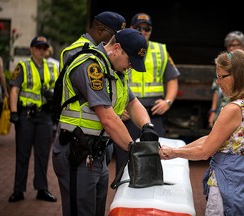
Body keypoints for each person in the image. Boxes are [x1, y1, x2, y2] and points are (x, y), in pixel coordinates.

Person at [52, 28, 159, 216]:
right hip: (77, 153)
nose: (131, 67)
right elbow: (108, 118)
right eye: (130, 61)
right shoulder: (91, 67)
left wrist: (147, 126)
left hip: (96, 155)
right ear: (116, 48)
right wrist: (134, 149)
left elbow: (132, 102)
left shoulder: (116, 70)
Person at [160, 49, 244, 215]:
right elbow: (213, 138)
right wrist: (178, 149)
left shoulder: (232, 109)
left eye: (221, 76)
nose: (218, 82)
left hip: (231, 178)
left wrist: (173, 152)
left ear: (238, 76)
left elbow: (205, 152)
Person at [113, 12, 180, 174]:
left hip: (152, 113)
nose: (143, 32)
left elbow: (172, 79)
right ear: (130, 28)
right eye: (138, 28)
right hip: (128, 114)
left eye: (147, 29)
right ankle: (122, 198)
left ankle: (152, 195)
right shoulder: (120, 50)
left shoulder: (160, 50)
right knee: (125, 161)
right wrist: (117, 109)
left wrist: (168, 101)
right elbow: (111, 83)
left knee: (155, 157)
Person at [58, 11, 126, 166]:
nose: (118, 42)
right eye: (115, 36)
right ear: (101, 29)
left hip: (100, 134)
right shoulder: (80, 52)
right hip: (80, 136)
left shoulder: (102, 53)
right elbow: (93, 93)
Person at [8, 36, 59, 202]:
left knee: (43, 154)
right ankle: (18, 190)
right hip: (26, 116)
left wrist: (52, 96)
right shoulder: (23, 66)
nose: (41, 51)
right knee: (22, 154)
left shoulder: (52, 66)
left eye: (44, 48)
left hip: (45, 116)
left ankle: (42, 189)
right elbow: (14, 90)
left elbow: (58, 89)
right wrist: (14, 112)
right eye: (38, 47)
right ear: (31, 49)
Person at [208, 30, 244, 127]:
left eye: (236, 45)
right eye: (230, 45)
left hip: (243, 111)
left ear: (243, 46)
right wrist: (213, 111)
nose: (232, 48)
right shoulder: (223, 63)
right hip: (224, 108)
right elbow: (217, 89)